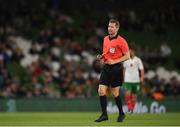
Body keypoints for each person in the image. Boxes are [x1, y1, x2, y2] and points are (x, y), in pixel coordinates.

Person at [95, 19, 130, 122]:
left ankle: (121, 113)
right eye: (109, 26)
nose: (109, 28)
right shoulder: (105, 39)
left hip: (116, 68)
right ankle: (104, 115)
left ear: (117, 28)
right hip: (106, 67)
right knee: (101, 91)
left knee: (115, 93)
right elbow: (106, 53)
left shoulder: (121, 41)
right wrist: (101, 56)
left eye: (112, 27)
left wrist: (115, 61)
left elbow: (127, 56)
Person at [123, 47, 144, 113]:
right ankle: (129, 107)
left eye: (130, 51)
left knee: (134, 95)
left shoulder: (138, 60)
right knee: (128, 93)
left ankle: (132, 109)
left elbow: (142, 69)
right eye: (129, 51)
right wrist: (124, 78)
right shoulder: (126, 60)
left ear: (133, 51)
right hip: (128, 79)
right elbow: (124, 69)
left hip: (136, 80)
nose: (129, 52)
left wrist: (142, 77)